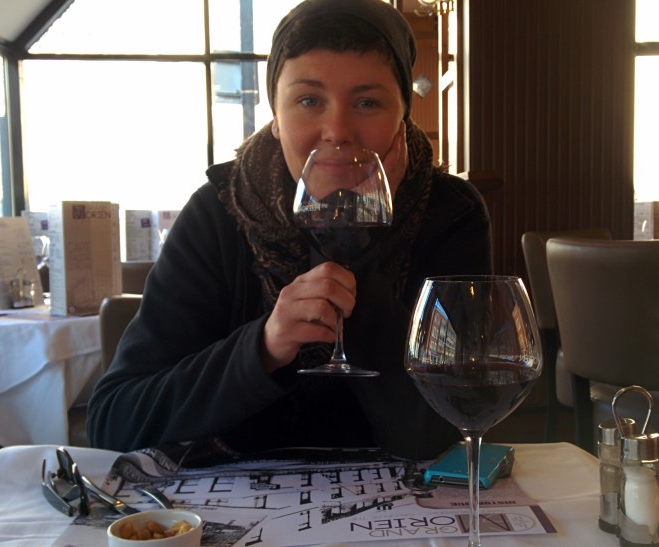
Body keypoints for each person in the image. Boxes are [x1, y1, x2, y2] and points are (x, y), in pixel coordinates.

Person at [87, 0, 492, 461]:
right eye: (309, 101)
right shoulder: (219, 212)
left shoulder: (449, 212)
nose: (337, 131)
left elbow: (450, 424)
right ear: (276, 119)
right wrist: (264, 347)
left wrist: (360, 244)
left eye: (367, 102)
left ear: (404, 115)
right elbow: (115, 422)